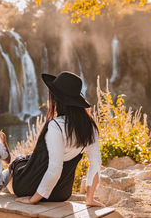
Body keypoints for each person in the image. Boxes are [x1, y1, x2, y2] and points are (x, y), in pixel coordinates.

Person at [10, 71, 104, 206]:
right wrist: (89, 198)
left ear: (56, 99)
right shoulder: (89, 127)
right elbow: (96, 163)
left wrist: (33, 199)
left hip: (30, 188)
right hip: (61, 194)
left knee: (15, 165)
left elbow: (55, 168)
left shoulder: (56, 126)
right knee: (23, 160)